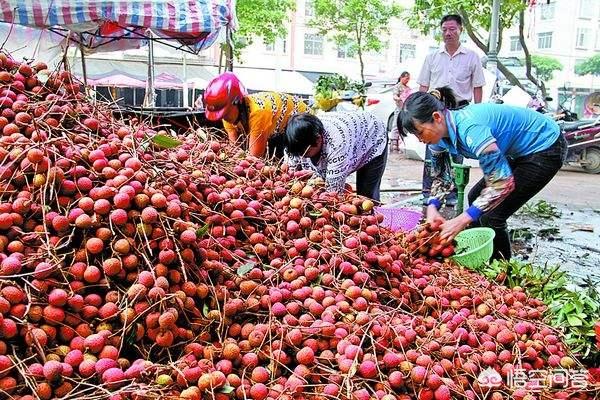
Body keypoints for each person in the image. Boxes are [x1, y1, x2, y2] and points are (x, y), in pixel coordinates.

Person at [399, 87, 566, 260]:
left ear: (436, 117)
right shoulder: (437, 139)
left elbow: (501, 183)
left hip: (545, 145)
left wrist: (461, 220)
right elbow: (441, 177)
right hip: (515, 150)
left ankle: (501, 273)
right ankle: (479, 257)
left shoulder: (471, 128)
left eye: (420, 132)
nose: (420, 139)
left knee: (492, 216)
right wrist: (433, 207)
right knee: (475, 197)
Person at [417, 14, 486, 206]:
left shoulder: (472, 57)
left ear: (460, 30)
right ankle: (429, 193)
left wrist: (477, 112)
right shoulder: (432, 57)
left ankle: (453, 195)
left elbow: (478, 86)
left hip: (460, 111)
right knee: (433, 153)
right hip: (434, 109)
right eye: (444, 29)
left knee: (457, 155)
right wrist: (420, 111)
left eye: (452, 29)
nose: (448, 33)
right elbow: (423, 85)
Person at [202, 72, 312, 158]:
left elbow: (254, 157)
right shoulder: (227, 115)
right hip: (275, 130)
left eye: (225, 114)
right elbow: (234, 147)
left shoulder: (258, 113)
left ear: (238, 102)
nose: (224, 119)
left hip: (302, 124)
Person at [284, 111, 388, 201]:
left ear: (318, 139)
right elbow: (288, 175)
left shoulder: (337, 144)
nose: (302, 157)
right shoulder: (293, 143)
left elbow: (333, 193)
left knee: (366, 196)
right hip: (350, 129)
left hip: (372, 137)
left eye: (305, 153)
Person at [390, 71, 412, 152]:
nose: (407, 80)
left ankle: (402, 142)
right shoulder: (398, 86)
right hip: (399, 108)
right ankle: (394, 142)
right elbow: (394, 96)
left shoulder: (408, 88)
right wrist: (400, 98)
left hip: (406, 109)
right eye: (406, 78)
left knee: (404, 126)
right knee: (396, 125)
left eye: (408, 79)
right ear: (401, 77)